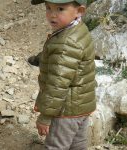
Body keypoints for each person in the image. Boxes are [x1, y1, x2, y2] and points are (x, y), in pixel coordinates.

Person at [31, 0, 96, 149]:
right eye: (48, 8)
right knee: (77, 144)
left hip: (65, 109)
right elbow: (66, 59)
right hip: (81, 105)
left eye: (60, 9)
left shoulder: (66, 42)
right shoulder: (77, 29)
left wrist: (46, 116)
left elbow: (57, 85)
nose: (52, 15)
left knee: (56, 145)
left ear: (79, 11)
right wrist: (43, 58)